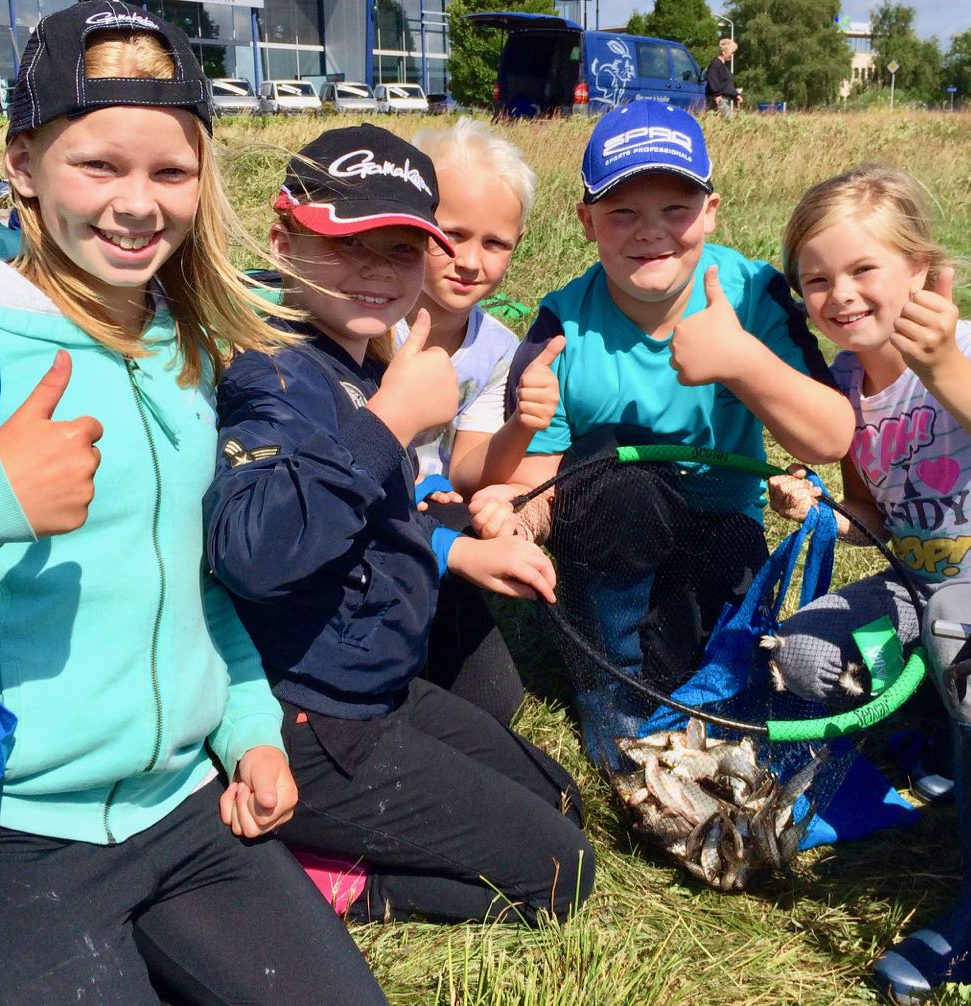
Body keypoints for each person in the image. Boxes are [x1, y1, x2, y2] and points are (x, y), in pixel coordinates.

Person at [0, 5, 387, 1003]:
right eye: (98, 166)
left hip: (189, 808)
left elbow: (191, 583)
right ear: (24, 167)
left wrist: (247, 728)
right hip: (11, 829)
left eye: (170, 172)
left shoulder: (183, 346)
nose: (138, 204)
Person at [205, 123, 596, 927]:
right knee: (564, 874)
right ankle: (331, 882)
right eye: (348, 244)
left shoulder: (365, 354)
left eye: (403, 249)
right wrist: (390, 421)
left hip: (380, 686)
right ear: (283, 242)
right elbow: (251, 552)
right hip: (313, 716)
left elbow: (410, 501)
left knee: (562, 800)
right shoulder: (271, 371)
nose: (380, 270)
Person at [766, 164, 971, 1002]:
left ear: (921, 271)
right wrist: (822, 509)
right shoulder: (845, 383)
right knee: (803, 651)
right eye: (817, 279)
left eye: (863, 269)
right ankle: (957, 751)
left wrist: (943, 366)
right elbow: (875, 515)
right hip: (923, 597)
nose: (840, 294)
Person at [485, 101, 854, 767]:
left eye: (675, 210)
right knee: (621, 468)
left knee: (697, 671)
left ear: (710, 213)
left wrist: (742, 361)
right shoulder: (561, 325)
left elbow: (829, 438)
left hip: (720, 521)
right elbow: (537, 480)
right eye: (623, 212)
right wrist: (521, 518)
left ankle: (648, 660)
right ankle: (609, 688)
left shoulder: (754, 294)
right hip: (608, 528)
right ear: (587, 221)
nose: (651, 233)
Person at [397, 117, 563, 726]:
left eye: (495, 244)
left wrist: (522, 424)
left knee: (495, 705)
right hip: (366, 505)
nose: (470, 261)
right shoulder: (372, 320)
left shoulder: (496, 347)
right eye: (452, 236)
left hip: (435, 509)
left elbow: (469, 472)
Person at [705, 39, 742, 116]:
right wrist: (717, 95)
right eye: (731, 53)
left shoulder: (723, 66)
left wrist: (736, 95)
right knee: (728, 120)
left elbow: (727, 84)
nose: (732, 55)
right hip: (719, 100)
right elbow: (712, 79)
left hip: (724, 99)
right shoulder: (715, 64)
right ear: (724, 52)